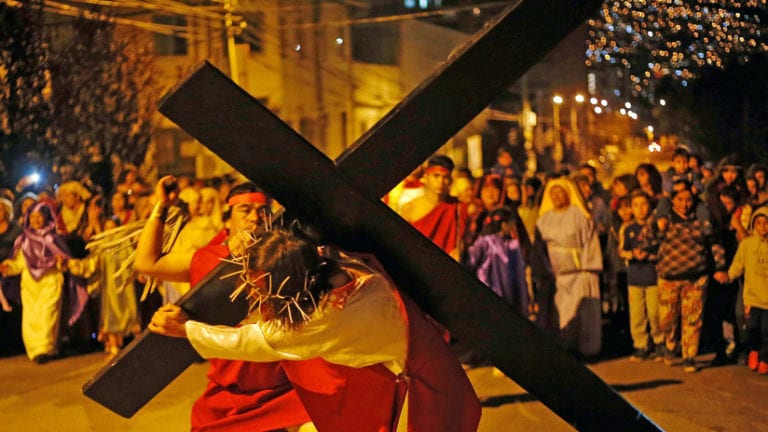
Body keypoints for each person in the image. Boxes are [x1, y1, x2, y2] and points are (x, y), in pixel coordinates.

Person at [148, 225, 482, 431]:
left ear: (285, 283)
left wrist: (187, 329)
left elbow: (251, 341)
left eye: (259, 287)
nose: (254, 295)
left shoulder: (323, 318)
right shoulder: (328, 258)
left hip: (421, 386)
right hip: (384, 370)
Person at [134, 176, 310, 431]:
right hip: (229, 390)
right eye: (245, 210)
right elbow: (147, 263)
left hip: (283, 388)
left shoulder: (286, 257)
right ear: (229, 218)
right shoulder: (209, 259)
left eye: (263, 210)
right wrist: (161, 206)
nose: (255, 217)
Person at [641, 181, 727, 373]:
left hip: (696, 277)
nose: (684, 204)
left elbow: (715, 242)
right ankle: (671, 346)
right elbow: (645, 239)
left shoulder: (702, 217)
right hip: (668, 277)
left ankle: (689, 356)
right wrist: (656, 230)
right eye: (680, 199)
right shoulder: (663, 217)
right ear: (673, 200)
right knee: (667, 319)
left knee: (693, 319)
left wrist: (720, 266)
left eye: (688, 200)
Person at [535, 177, 603, 358]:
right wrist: (544, 269)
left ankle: (584, 348)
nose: (557, 196)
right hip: (556, 275)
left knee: (581, 314)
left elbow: (589, 241)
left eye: (560, 192)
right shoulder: (544, 220)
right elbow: (539, 248)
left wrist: (588, 267)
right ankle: (562, 348)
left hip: (579, 273)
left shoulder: (579, 216)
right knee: (561, 314)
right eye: (553, 193)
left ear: (568, 194)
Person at [0, 201, 72, 364]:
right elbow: (19, 263)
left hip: (50, 281)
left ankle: (45, 348)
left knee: (48, 315)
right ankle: (35, 350)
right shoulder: (23, 240)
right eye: (32, 217)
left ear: (46, 217)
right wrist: (8, 266)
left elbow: (64, 261)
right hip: (30, 285)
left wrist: (61, 262)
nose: (36, 220)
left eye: (39, 217)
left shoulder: (52, 238)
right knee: (32, 318)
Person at [716, 207, 768, 374]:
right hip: (752, 296)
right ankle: (753, 351)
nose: (763, 226)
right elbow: (738, 264)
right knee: (753, 328)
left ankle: (765, 358)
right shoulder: (747, 244)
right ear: (753, 225)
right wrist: (729, 275)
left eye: (766, 222)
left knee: (766, 330)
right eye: (759, 222)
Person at [620, 191, 663, 362]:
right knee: (637, 314)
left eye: (644, 204)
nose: (640, 209)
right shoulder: (628, 229)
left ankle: (659, 342)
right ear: (631, 208)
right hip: (634, 279)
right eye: (636, 205)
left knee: (655, 313)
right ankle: (641, 344)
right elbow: (621, 250)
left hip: (653, 277)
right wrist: (633, 254)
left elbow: (663, 250)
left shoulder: (656, 227)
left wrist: (649, 256)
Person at [399, 155, 468, 260]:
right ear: (426, 177)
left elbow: (465, 239)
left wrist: (460, 250)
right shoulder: (409, 208)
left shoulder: (459, 207)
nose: (441, 181)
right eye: (436, 176)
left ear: (450, 180)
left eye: (445, 177)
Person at [465, 206, 529, 316]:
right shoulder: (486, 242)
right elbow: (470, 261)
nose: (513, 226)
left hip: (507, 298)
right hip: (491, 297)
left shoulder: (512, 245)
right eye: (511, 223)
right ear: (503, 224)